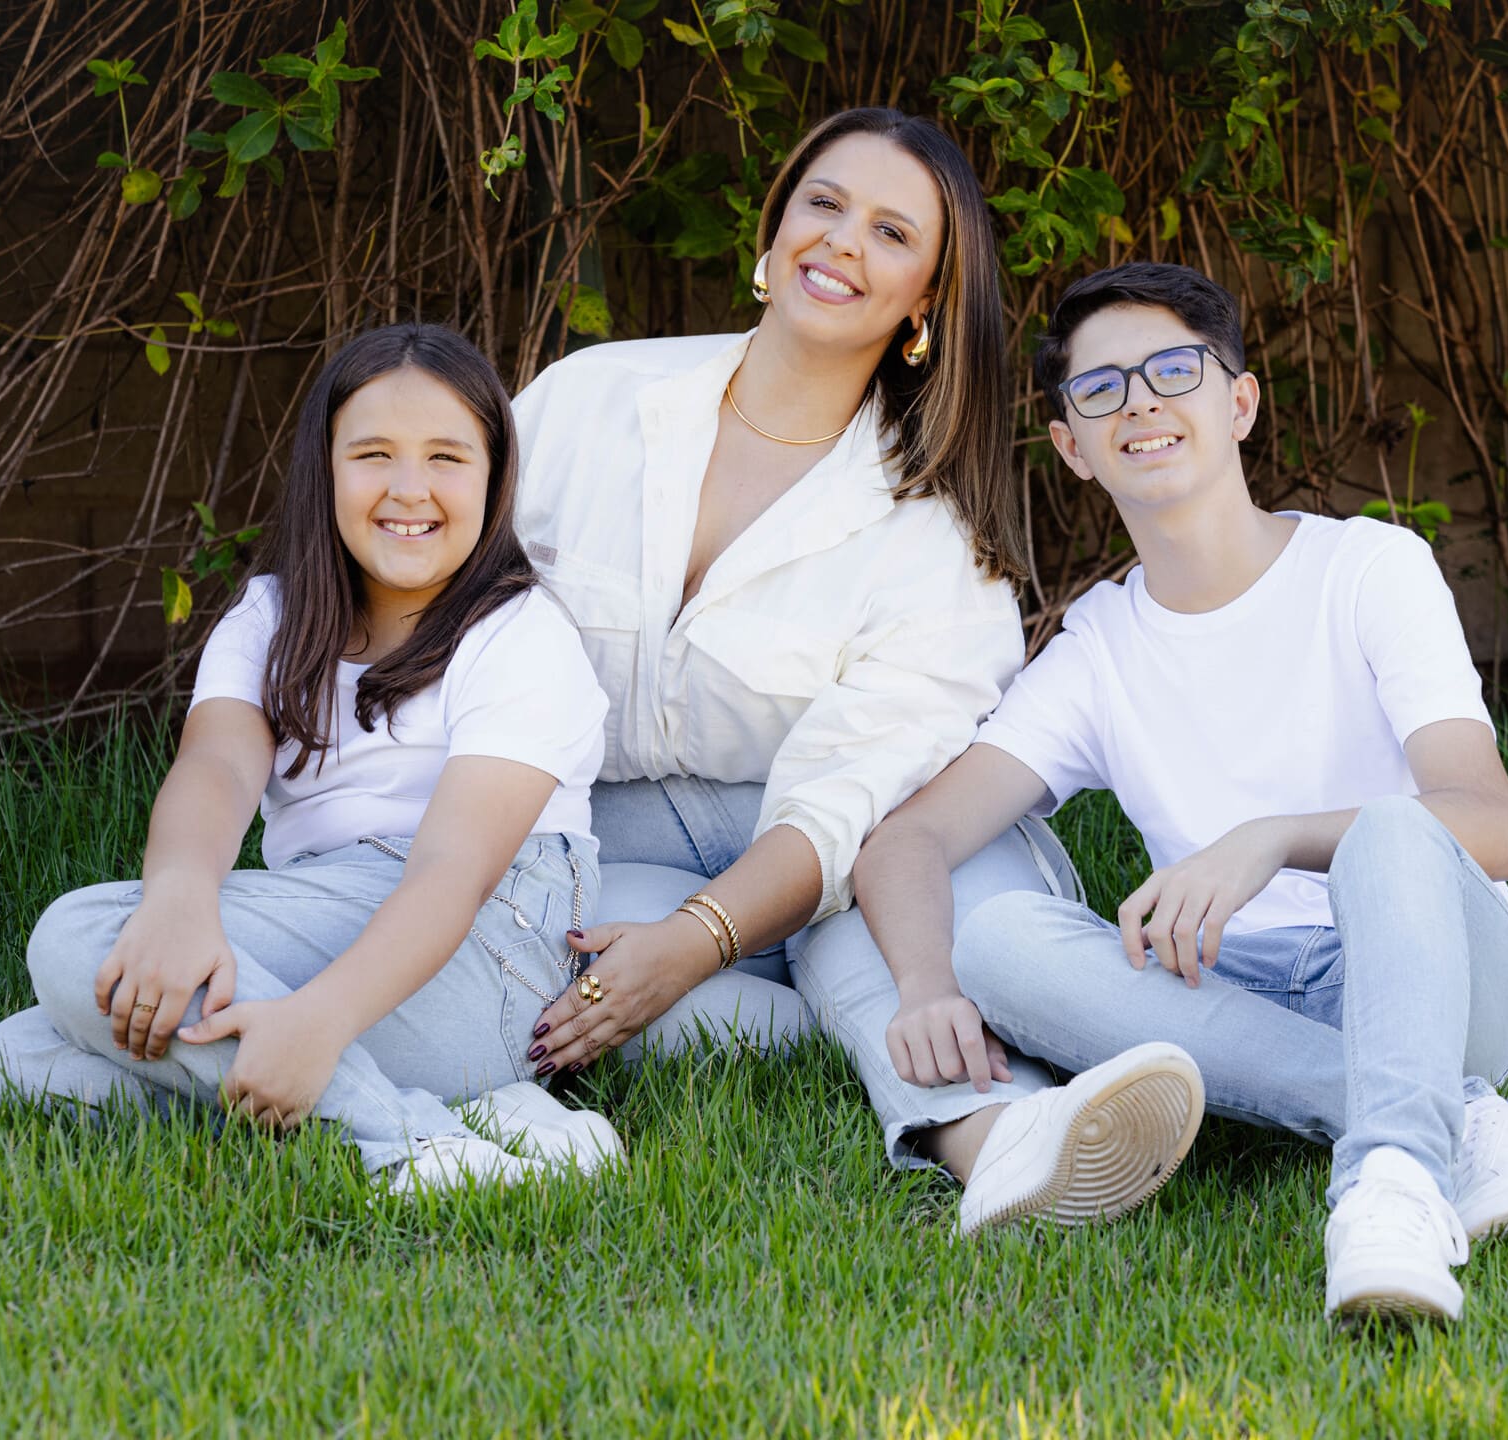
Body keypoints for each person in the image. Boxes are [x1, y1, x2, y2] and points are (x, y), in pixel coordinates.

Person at [851, 262, 1508, 1319]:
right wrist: (922, 986)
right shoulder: (1100, 651)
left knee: (1394, 834)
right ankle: (1468, 1127)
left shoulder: (1369, 570)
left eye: (1174, 369)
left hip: (1438, 975)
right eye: (1101, 389)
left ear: (1239, 401)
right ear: (1073, 448)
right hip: (1245, 991)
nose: (1141, 402)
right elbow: (909, 841)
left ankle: (1390, 1191)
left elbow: (1492, 829)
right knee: (997, 948)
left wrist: (1270, 839)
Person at [509, 108, 1202, 1219]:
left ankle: (1001, 1140)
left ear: (926, 297)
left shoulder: (936, 544)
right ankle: (833, 1030)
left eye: (891, 233)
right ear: (775, 229)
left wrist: (699, 938)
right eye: (823, 205)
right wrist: (678, 949)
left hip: (847, 834)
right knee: (565, 979)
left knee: (871, 903)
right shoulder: (589, 403)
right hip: (611, 827)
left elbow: (835, 814)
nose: (840, 244)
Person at [0, 324, 621, 1193]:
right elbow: (217, 770)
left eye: (446, 458)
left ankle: (413, 1143)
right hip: (325, 921)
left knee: (76, 937)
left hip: (483, 958)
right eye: (374, 454)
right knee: (15, 1054)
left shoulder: (519, 635)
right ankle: (471, 1111)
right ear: (325, 468)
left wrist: (322, 1017)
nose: (408, 489)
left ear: (497, 477)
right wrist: (177, 900)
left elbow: (450, 873)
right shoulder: (273, 615)